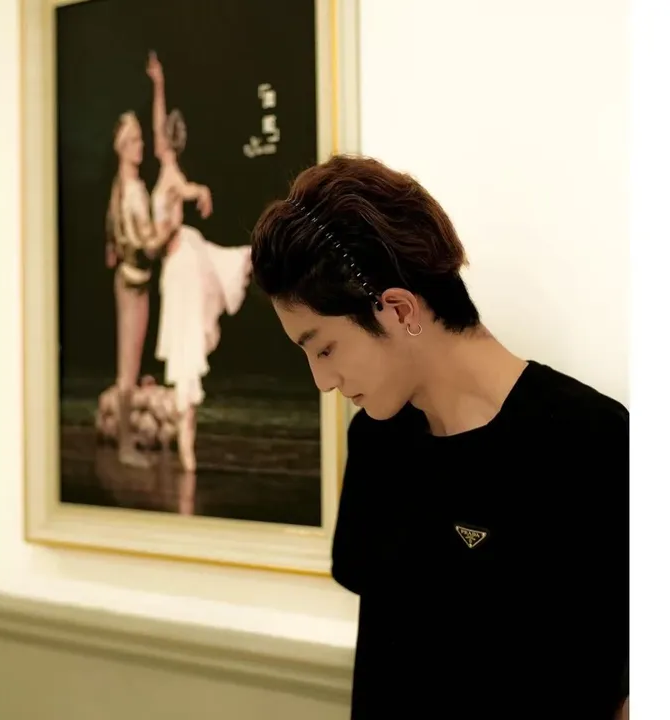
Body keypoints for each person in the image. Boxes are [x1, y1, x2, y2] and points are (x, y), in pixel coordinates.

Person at [250, 155, 629, 719]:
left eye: (324, 348)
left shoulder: (591, 444)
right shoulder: (376, 443)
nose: (323, 382)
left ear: (400, 309)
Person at [145, 51, 252, 472]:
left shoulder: (172, 175)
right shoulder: (166, 169)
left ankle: (187, 447)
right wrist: (158, 84)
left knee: (186, 353)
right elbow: (159, 125)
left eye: (162, 137)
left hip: (184, 264)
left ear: (168, 143)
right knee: (184, 353)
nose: (157, 140)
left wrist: (200, 193)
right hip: (178, 263)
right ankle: (184, 442)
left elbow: (190, 190)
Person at [106, 111, 175, 469]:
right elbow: (148, 245)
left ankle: (125, 442)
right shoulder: (132, 190)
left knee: (130, 366)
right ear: (121, 147)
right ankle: (124, 446)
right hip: (134, 282)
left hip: (128, 277)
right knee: (128, 369)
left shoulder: (122, 185)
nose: (141, 145)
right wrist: (169, 228)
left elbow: (111, 239)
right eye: (133, 141)